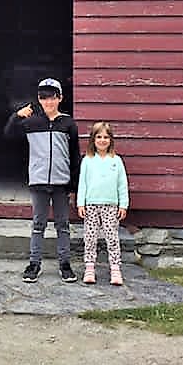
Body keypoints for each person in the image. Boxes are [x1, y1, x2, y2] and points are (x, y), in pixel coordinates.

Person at [4, 77, 81, 284]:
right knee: (38, 224)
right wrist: (16, 116)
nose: (48, 102)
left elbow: (75, 156)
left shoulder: (68, 124)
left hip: (61, 183)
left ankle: (65, 264)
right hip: (38, 181)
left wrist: (74, 186)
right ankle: (34, 263)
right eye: (44, 98)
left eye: (52, 98)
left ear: (60, 98)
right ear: (39, 99)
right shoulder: (31, 123)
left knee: (63, 225)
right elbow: (8, 135)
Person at [76, 121, 129, 285]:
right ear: (93, 140)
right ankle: (90, 268)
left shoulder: (116, 161)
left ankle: (115, 269)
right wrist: (80, 203)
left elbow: (122, 184)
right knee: (90, 237)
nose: (102, 140)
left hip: (111, 206)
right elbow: (82, 183)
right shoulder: (87, 160)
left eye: (106, 137)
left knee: (112, 237)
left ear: (111, 140)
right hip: (91, 205)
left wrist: (123, 204)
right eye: (98, 137)